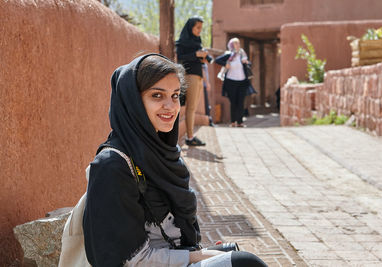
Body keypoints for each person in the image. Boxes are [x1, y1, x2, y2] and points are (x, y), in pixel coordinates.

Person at [82, 54, 268, 267]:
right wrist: (198, 257)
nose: (170, 106)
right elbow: (129, 261)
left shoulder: (161, 152)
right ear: (133, 100)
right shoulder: (112, 166)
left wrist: (199, 252)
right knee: (246, 263)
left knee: (233, 255)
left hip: (171, 256)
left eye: (175, 95)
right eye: (157, 96)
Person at [176, 16, 209, 146]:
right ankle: (190, 137)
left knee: (193, 107)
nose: (200, 30)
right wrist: (196, 55)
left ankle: (191, 136)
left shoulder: (197, 42)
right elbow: (180, 57)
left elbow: (197, 58)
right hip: (190, 75)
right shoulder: (183, 42)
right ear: (190, 27)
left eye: (201, 27)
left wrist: (202, 58)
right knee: (191, 108)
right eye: (198, 27)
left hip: (198, 76)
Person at [215, 38, 250, 127]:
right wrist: (225, 64)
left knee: (241, 102)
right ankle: (233, 122)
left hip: (242, 81)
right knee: (233, 102)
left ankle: (240, 122)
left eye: (238, 43)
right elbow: (217, 60)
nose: (238, 45)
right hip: (231, 82)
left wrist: (246, 62)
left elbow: (248, 65)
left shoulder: (242, 54)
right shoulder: (229, 55)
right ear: (231, 45)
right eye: (235, 43)